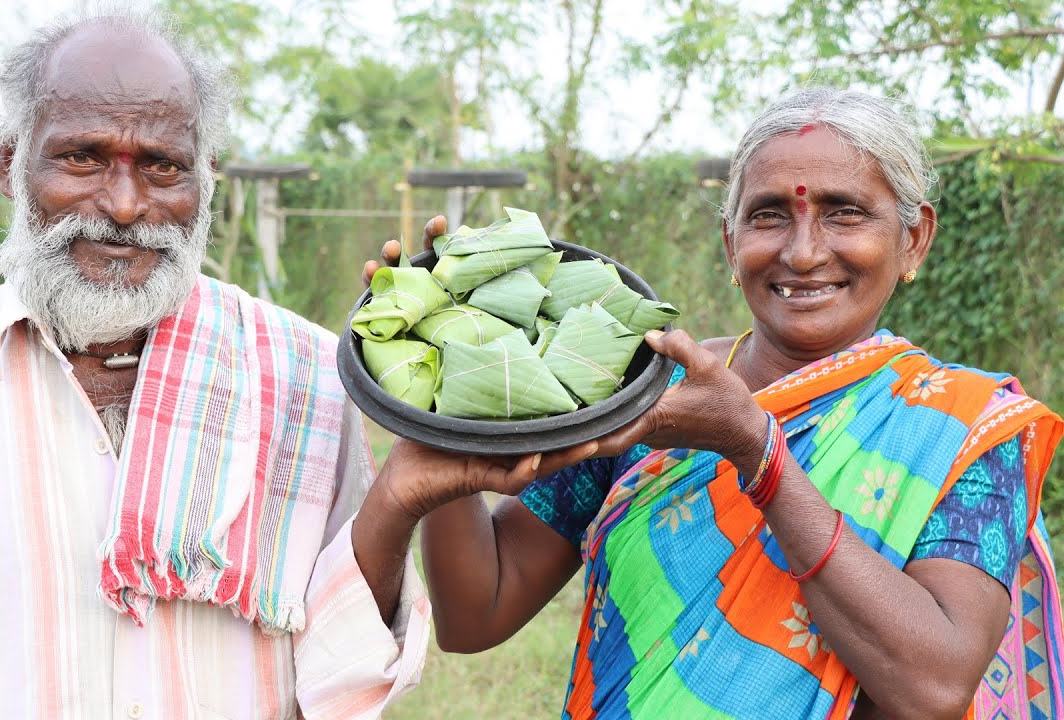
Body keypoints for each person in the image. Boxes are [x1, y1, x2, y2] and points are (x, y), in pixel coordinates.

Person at [0, 12, 435, 718]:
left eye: (162, 166)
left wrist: (399, 498)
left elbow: (345, 675)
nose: (125, 206)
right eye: (83, 158)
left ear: (206, 178)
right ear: (10, 162)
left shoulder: (311, 378)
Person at [367, 88, 1064, 718]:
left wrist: (757, 451)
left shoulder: (963, 427)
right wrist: (445, 399)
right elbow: (476, 613)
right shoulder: (644, 388)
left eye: (844, 213)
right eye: (768, 217)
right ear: (731, 245)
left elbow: (933, 687)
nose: (803, 251)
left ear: (914, 239)